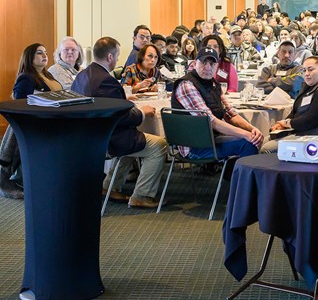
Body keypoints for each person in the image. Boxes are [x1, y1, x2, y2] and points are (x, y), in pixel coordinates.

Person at [72, 37, 167, 208]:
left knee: (135, 140)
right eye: (116, 56)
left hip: (88, 134)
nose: (117, 60)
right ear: (109, 57)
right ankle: (142, 195)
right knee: (159, 145)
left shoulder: (82, 75)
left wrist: (124, 99)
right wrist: (142, 113)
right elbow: (121, 116)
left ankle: (109, 186)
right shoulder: (106, 81)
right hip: (108, 137)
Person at [172, 46, 262, 159]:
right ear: (195, 64)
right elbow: (210, 121)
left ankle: (234, 173)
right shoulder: (186, 85)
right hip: (194, 146)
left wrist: (252, 129)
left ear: (217, 66)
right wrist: (245, 134)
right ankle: (239, 176)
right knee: (248, 143)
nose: (208, 67)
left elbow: (230, 113)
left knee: (253, 138)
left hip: (211, 139)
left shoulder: (214, 84)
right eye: (204, 62)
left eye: (212, 64)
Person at [2, 44, 64, 199]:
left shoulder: (48, 75)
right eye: (39, 53)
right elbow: (21, 105)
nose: (44, 55)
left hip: (55, 120)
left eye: (46, 52)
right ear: (29, 57)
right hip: (36, 124)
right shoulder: (26, 77)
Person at [266, 56, 318, 150]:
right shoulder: (308, 87)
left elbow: (311, 120)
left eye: (310, 70)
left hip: (313, 137)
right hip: (301, 131)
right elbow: (295, 112)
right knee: (259, 141)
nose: (306, 74)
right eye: (304, 70)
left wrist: (288, 123)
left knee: (266, 148)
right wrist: (282, 124)